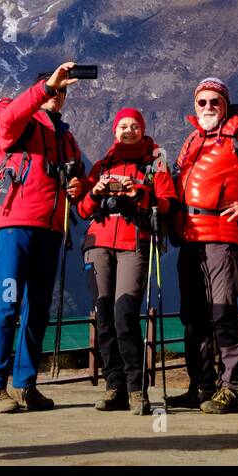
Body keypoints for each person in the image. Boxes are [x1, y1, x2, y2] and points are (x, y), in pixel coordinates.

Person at [0, 61, 87, 413]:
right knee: (7, 303)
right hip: (16, 223)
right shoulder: (21, 123)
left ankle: (26, 385)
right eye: (54, 89)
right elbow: (9, 118)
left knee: (38, 308)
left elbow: (77, 179)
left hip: (52, 228)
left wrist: (77, 185)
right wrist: (45, 86)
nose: (59, 95)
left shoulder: (66, 137)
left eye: (63, 91)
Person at [75, 107, 176, 415]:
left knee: (124, 314)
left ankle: (136, 389)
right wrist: (95, 191)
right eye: (123, 125)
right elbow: (82, 209)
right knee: (104, 315)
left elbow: (168, 203)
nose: (129, 130)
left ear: (143, 130)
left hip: (135, 242)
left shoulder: (155, 161)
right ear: (114, 131)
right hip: (98, 243)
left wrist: (140, 193)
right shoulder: (105, 163)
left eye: (134, 125)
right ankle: (114, 386)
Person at [166, 77, 238, 413]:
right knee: (193, 317)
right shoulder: (192, 139)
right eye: (201, 102)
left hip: (220, 234)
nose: (207, 108)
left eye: (213, 102)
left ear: (224, 103)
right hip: (189, 237)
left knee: (222, 312)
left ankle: (231, 388)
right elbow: (176, 182)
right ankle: (200, 387)